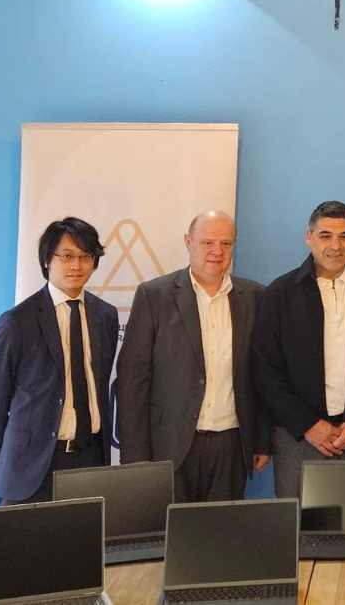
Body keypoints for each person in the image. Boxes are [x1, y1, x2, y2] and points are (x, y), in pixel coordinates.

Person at [116, 210, 271, 503]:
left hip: (231, 445)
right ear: (188, 242)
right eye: (207, 242)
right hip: (169, 444)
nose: (217, 251)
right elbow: (132, 381)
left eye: (226, 243)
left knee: (218, 528)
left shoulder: (256, 297)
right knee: (167, 527)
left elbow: (263, 376)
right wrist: (135, 455)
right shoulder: (154, 296)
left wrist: (262, 440)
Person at [252, 201, 345, 499]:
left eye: (344, 236)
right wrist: (307, 425)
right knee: (297, 522)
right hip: (297, 437)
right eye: (325, 235)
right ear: (309, 237)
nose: (335, 246)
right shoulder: (281, 293)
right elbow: (266, 369)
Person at [0, 217, 119, 504]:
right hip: (32, 468)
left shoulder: (105, 315)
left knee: (84, 535)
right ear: (47, 261)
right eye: (66, 256)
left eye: (85, 257)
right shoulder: (17, 321)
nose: (76, 265)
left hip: (91, 460)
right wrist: (10, 461)